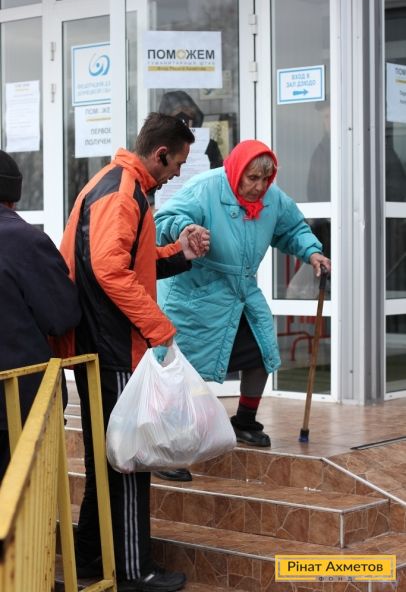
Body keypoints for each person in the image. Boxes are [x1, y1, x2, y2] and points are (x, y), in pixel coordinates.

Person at [59, 113, 209, 592]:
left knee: (111, 460)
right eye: (177, 163)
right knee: (129, 462)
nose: (177, 174)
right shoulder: (123, 191)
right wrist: (158, 328)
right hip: (113, 347)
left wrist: (180, 252)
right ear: (160, 154)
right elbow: (110, 270)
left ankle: (90, 555)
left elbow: (128, 263)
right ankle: (134, 570)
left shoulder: (117, 184)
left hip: (102, 344)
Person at [154, 139, 331, 482]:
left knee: (261, 352)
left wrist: (312, 252)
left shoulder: (271, 199)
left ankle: (245, 421)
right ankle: (165, 445)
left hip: (239, 291)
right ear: (236, 172)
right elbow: (165, 219)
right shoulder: (206, 188)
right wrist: (185, 230)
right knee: (182, 371)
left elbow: (292, 228)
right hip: (195, 292)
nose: (259, 186)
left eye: (265, 179)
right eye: (252, 178)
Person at [0, 150, 81, 483]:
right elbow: (62, 315)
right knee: (22, 499)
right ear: (13, 196)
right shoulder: (26, 240)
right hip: (17, 406)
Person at [158, 90, 223, 169]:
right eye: (176, 111)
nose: (183, 119)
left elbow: (217, 170)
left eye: (187, 111)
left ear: (194, 117)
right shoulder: (159, 147)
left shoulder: (209, 145)